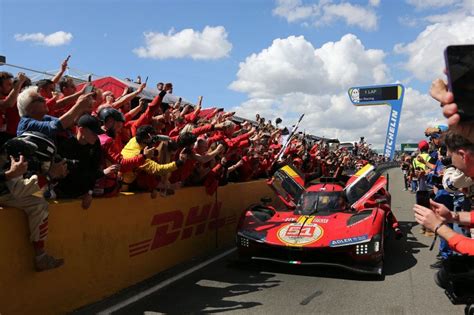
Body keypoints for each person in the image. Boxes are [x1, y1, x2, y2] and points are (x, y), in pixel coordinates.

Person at [16, 86, 94, 139]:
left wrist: (82, 107)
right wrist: (79, 105)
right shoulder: (27, 123)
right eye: (39, 99)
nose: (44, 100)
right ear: (29, 108)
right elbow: (58, 125)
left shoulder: (43, 118)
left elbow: (67, 123)